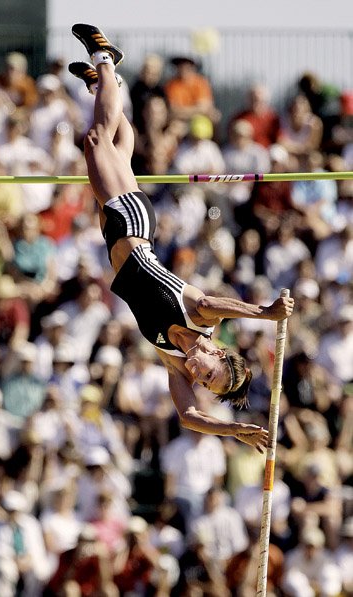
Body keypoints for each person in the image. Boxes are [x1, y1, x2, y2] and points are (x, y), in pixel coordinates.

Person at [67, 23, 294, 451]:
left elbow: (189, 418)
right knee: (97, 140)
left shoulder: (173, 362)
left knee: (117, 146)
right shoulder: (203, 321)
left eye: (206, 381)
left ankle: (103, 86)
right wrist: (264, 313)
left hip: (112, 238)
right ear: (219, 352)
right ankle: (105, 63)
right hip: (133, 225)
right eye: (211, 370)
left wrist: (234, 430)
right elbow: (212, 303)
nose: (201, 374)